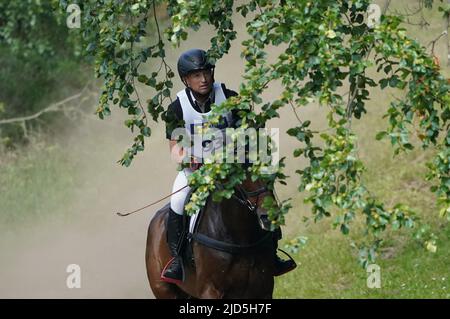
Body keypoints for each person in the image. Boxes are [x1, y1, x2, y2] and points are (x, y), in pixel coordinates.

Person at [161, 48, 296, 284]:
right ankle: (177, 261)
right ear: (186, 80)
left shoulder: (231, 98)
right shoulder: (177, 108)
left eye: (206, 72)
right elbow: (174, 147)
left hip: (233, 167)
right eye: (196, 75)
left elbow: (249, 135)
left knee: (263, 191)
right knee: (177, 201)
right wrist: (189, 158)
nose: (203, 79)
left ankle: (272, 253)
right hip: (196, 171)